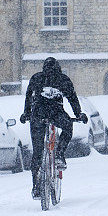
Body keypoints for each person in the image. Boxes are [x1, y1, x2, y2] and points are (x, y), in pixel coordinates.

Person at [21, 57, 88, 198]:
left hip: (38, 115)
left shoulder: (36, 78)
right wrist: (79, 114)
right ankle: (59, 153)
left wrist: (26, 113)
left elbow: (28, 97)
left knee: (37, 152)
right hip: (56, 113)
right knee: (68, 126)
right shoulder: (63, 79)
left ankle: (36, 186)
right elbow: (72, 98)